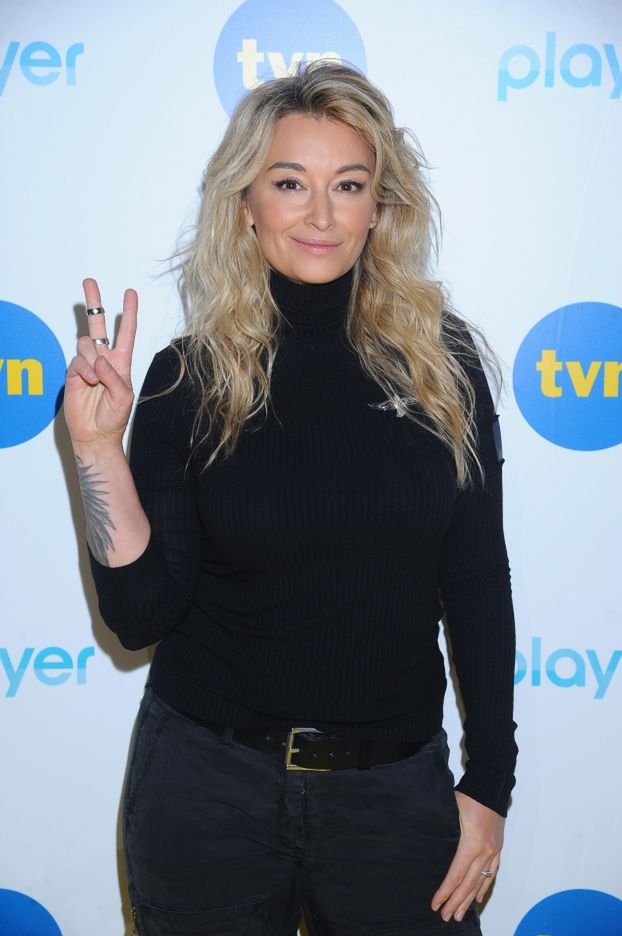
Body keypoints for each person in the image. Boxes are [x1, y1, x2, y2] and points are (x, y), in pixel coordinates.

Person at [64, 61, 517, 936]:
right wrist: (96, 450)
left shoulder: (444, 364)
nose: (320, 215)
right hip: (206, 791)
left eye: (347, 184)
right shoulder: (187, 377)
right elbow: (139, 615)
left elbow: (476, 583)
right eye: (288, 183)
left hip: (393, 792)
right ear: (245, 203)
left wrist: (490, 785)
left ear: (379, 206)